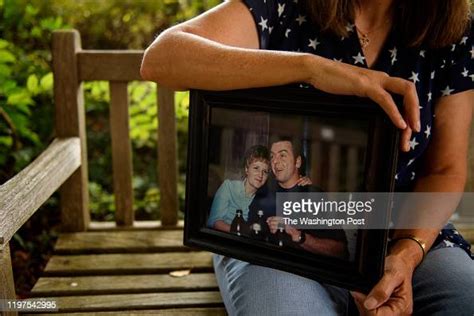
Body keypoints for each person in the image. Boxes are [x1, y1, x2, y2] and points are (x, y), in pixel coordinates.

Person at [141, 0, 473, 314]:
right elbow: (163, 58)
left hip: (405, 229)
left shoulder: (454, 29)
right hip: (277, 245)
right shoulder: (281, 6)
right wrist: (310, 69)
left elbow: (444, 169)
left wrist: (407, 253)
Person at [247, 137, 349, 259]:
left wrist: (295, 233)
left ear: (298, 162)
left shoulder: (315, 197)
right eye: (272, 156)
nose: (275, 161)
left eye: (282, 155)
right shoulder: (264, 191)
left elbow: (340, 251)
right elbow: (249, 230)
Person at [207, 144, 270, 233]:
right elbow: (214, 221)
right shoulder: (228, 187)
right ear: (247, 169)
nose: (260, 175)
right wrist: (242, 231)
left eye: (265, 171)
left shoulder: (264, 200)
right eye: (256, 168)